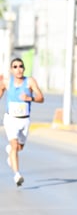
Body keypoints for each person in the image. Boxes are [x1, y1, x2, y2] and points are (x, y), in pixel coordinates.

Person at [0, 58, 45, 186]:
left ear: (24, 69)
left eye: (20, 66)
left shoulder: (30, 81)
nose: (18, 69)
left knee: (20, 147)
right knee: (14, 146)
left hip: (24, 120)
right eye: (15, 67)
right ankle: (17, 175)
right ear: (11, 69)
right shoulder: (7, 82)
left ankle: (11, 152)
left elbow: (41, 98)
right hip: (11, 119)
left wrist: (29, 98)